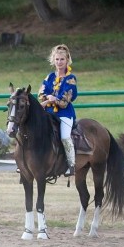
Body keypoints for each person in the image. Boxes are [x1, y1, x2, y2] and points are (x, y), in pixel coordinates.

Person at [38, 44, 78, 176]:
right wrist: (47, 99)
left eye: (62, 59)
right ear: (53, 60)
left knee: (65, 137)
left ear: (67, 60)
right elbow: (41, 93)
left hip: (64, 114)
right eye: (57, 59)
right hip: (48, 113)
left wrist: (53, 99)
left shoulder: (70, 78)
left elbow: (65, 100)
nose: (59, 62)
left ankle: (71, 164)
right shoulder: (49, 77)